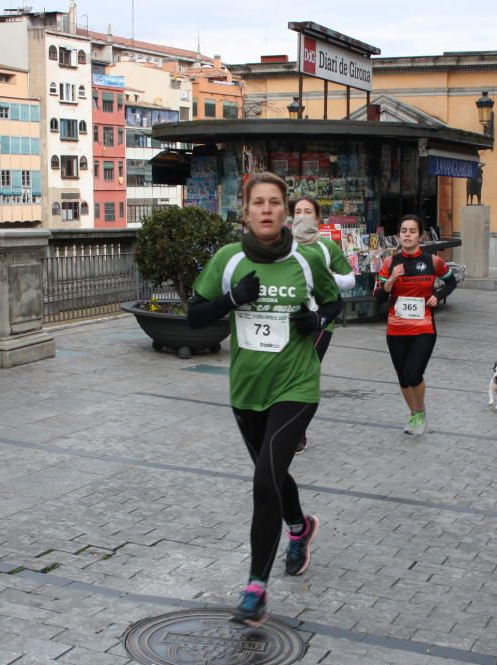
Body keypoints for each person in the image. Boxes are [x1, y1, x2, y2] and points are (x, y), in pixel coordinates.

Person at [187, 172, 342, 627]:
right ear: (247, 211)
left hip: (296, 385)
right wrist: (232, 298)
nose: (268, 210)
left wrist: (315, 321)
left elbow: (335, 304)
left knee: (264, 480)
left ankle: (256, 588)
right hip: (247, 389)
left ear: (286, 210)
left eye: (276, 202)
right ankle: (301, 528)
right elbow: (195, 316)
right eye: (259, 203)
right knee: (271, 475)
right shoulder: (228, 259)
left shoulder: (306, 258)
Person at [376, 214, 457, 435]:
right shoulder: (390, 263)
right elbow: (379, 296)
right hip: (396, 328)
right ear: (399, 235)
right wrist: (392, 279)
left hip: (424, 328)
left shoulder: (433, 261)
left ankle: (420, 411)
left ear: (420, 236)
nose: (407, 235)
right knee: (402, 376)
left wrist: (437, 296)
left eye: (412, 231)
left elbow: (451, 280)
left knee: (413, 374)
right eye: (404, 231)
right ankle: (415, 415)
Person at [291, 197, 356, 453]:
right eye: (298, 211)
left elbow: (350, 280)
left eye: (308, 211)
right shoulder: (281, 246)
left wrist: (329, 278)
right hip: (289, 322)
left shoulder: (327, 246)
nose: (303, 215)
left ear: (318, 217)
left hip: (320, 322)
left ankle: (298, 432)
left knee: (304, 372)